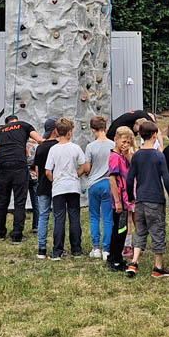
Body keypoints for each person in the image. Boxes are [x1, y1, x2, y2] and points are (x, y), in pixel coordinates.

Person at [125, 119, 169, 278]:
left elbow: (129, 179)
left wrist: (131, 197)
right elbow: (167, 179)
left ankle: (134, 263)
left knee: (140, 231)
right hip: (155, 199)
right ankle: (158, 267)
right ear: (155, 135)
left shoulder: (136, 156)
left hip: (140, 199)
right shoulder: (158, 155)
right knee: (157, 231)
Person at [0, 113, 44, 243]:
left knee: (2, 201)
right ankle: (17, 235)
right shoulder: (24, 125)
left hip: (3, 167)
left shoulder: (1, 131)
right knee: (19, 201)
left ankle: (0, 233)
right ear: (17, 121)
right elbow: (40, 140)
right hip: (19, 166)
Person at [45, 117, 88, 260]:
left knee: (59, 218)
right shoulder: (75, 148)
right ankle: (76, 249)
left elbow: (48, 171)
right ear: (70, 132)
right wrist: (77, 174)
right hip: (73, 185)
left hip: (58, 186)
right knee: (74, 216)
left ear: (57, 131)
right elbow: (84, 166)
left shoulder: (53, 149)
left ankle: (57, 250)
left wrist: (54, 180)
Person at [85, 115, 116, 260]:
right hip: (109, 183)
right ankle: (107, 249)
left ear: (93, 129)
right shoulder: (113, 145)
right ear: (106, 127)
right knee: (108, 218)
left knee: (94, 217)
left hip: (94, 183)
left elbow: (87, 167)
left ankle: (96, 247)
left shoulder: (90, 147)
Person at [106, 125, 135, 272]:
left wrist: (128, 154)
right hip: (119, 200)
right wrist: (117, 201)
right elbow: (113, 179)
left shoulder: (124, 156)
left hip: (126, 199)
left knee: (122, 229)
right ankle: (115, 258)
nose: (125, 145)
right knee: (119, 229)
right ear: (116, 140)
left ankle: (116, 257)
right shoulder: (114, 157)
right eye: (123, 142)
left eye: (128, 143)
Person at [33, 117, 59, 259]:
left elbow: (37, 169)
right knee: (57, 216)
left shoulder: (41, 147)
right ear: (55, 130)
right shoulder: (58, 146)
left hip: (42, 185)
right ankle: (57, 246)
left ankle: (41, 249)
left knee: (43, 216)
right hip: (56, 185)